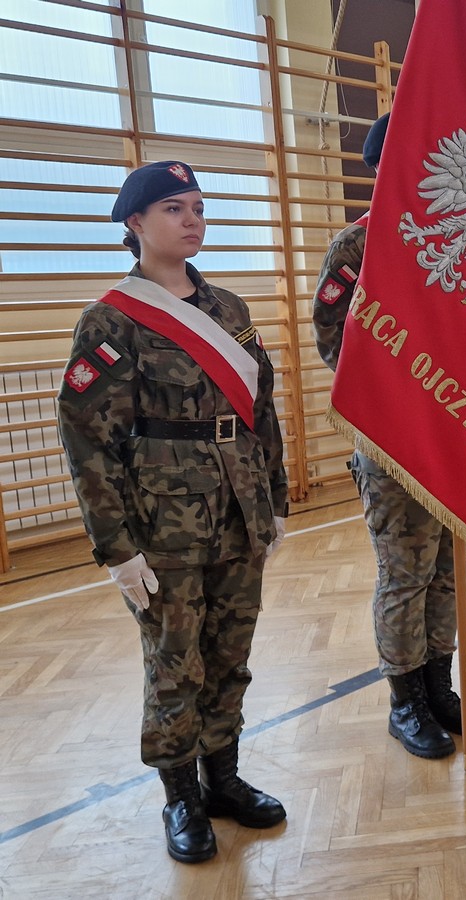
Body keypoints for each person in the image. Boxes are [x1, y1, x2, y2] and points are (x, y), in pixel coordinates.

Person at [57, 161, 288, 863]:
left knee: (230, 654)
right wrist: (116, 547)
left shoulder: (230, 310)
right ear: (135, 223)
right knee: (174, 665)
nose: (192, 220)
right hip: (165, 527)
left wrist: (274, 499)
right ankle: (181, 797)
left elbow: (260, 411)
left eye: (198, 208)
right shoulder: (112, 319)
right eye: (174, 209)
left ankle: (224, 779)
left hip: (239, 511)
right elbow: (88, 440)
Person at [312, 115, 466, 759]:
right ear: (383, 167)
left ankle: (439, 687)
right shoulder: (357, 246)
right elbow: (334, 343)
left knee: (449, 570)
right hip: (393, 441)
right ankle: (406, 701)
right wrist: (410, 401)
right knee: (405, 574)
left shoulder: (459, 235)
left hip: (458, 436)